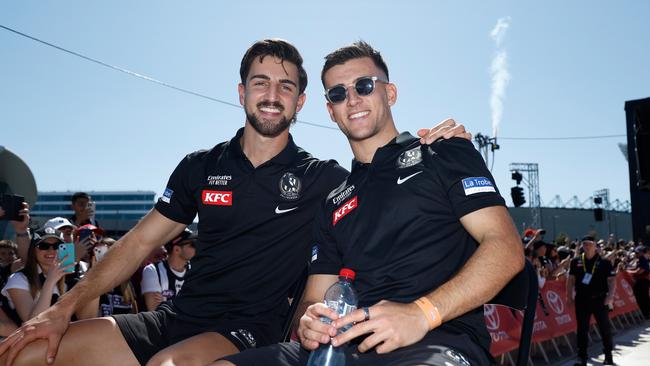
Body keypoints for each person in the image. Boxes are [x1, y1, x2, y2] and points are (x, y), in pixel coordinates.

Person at [0, 39, 468, 366]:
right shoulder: (201, 166)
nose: (272, 95)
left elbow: (386, 187)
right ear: (242, 92)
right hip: (176, 318)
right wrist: (61, 308)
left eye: (285, 86)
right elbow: (140, 241)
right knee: (24, 354)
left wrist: (431, 146)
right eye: (260, 83)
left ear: (301, 102)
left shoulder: (323, 178)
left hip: (248, 330)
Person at [215, 41, 524, 366]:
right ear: (330, 111)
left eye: (364, 86)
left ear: (389, 93)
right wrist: (308, 321)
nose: (352, 99)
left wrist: (421, 314)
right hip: (340, 349)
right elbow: (315, 296)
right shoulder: (333, 201)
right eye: (338, 93)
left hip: (435, 340)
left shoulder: (443, 151)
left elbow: (505, 246)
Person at [0, 228, 96, 327]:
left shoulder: (71, 278)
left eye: (57, 246)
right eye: (43, 246)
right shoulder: (19, 279)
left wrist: (94, 275)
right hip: (28, 341)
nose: (51, 250)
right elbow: (33, 324)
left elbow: (87, 319)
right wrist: (50, 281)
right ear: (33, 250)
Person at [567, 235, 616, 366]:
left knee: (604, 328)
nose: (587, 246)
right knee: (582, 329)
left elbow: (611, 281)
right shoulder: (576, 261)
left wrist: (610, 297)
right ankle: (581, 357)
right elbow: (570, 280)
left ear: (595, 246)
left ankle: (608, 356)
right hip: (582, 299)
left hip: (600, 300)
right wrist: (569, 297)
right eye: (585, 244)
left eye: (589, 244)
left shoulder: (604, 262)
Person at [140, 228, 196, 311]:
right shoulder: (153, 270)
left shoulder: (195, 271)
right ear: (177, 249)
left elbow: (200, 307)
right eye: (193, 244)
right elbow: (155, 311)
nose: (197, 247)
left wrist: (165, 303)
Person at [93, 238, 138, 317]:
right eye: (98, 252)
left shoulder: (126, 283)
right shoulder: (90, 285)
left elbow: (134, 315)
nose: (105, 257)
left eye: (110, 252)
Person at [627, 245, 649, 319]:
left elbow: (640, 271)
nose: (636, 254)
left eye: (637, 252)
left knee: (643, 298)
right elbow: (636, 268)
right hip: (642, 281)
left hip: (642, 281)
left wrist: (628, 272)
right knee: (643, 298)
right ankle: (646, 313)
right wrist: (629, 268)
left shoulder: (642, 259)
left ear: (641, 252)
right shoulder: (640, 259)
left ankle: (646, 313)